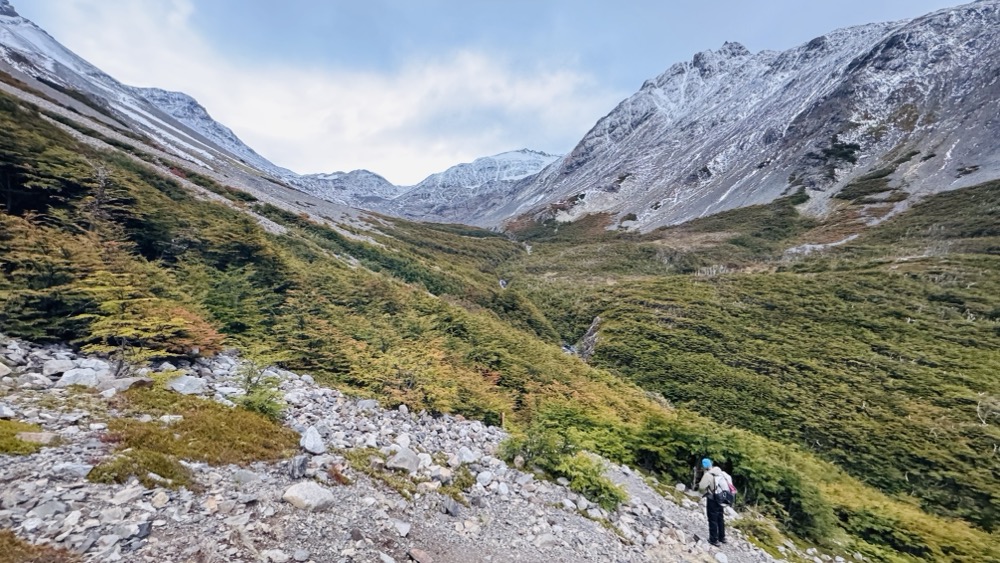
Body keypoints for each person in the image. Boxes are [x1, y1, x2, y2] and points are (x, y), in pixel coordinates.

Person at [698, 457, 732, 546]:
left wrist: (704, 490)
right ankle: (722, 537)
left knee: (712, 518)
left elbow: (701, 487)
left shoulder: (708, 475)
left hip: (712, 498)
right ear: (711, 464)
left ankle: (714, 539)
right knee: (720, 517)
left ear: (704, 466)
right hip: (721, 498)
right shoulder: (720, 472)